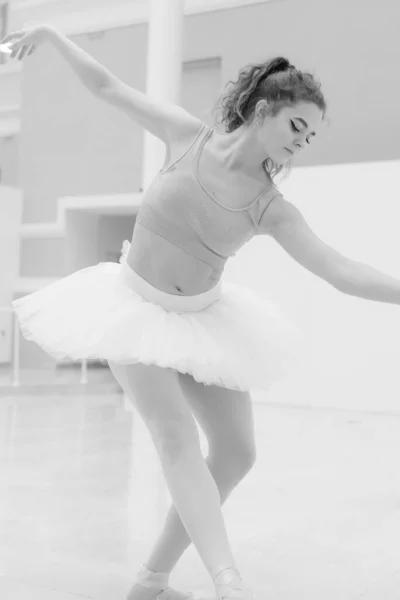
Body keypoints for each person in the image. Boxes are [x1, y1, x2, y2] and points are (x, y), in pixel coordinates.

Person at [3, 24, 400, 600]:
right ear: (263, 110)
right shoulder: (187, 136)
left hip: (203, 318)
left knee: (238, 453)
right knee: (177, 438)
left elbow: (338, 269)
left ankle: (151, 580)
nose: (301, 142)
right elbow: (109, 88)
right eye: (296, 126)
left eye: (310, 137)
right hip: (134, 308)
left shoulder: (270, 206)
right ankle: (227, 581)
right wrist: (53, 37)